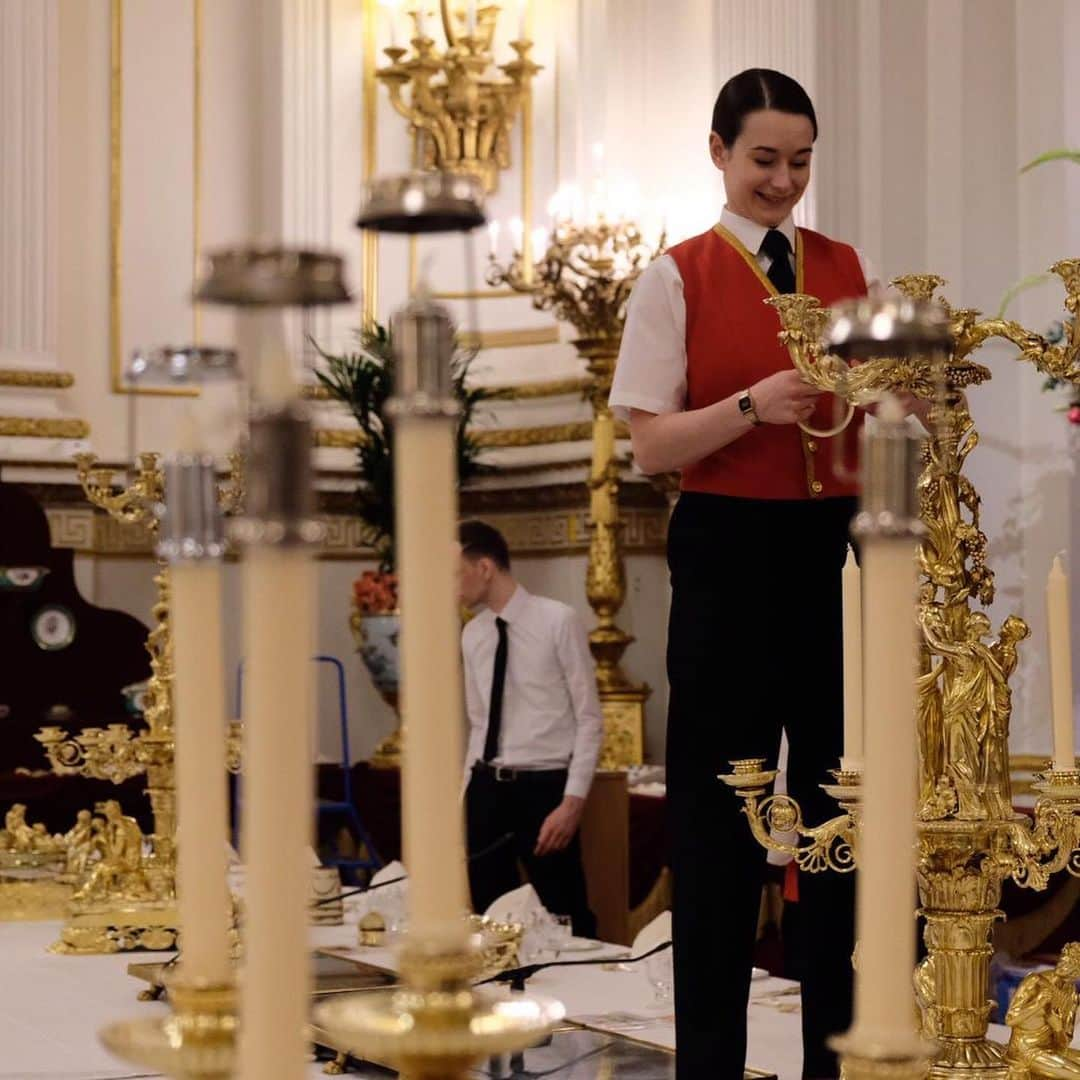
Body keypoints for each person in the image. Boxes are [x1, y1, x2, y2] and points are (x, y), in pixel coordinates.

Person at [610, 69, 877, 1079]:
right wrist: (751, 407)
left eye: (799, 161)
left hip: (835, 551)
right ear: (719, 152)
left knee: (837, 809)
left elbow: (883, 399)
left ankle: (841, 1058)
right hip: (725, 547)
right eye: (764, 159)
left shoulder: (848, 267)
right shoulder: (674, 275)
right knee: (720, 819)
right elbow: (649, 445)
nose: (782, 180)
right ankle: (709, 1065)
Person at [458, 519, 603, 938]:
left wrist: (571, 803)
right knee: (489, 921)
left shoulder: (558, 620)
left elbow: (589, 718)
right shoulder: (473, 634)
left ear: (484, 567)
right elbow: (478, 722)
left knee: (565, 914)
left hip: (544, 788)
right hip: (487, 788)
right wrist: (464, 798)